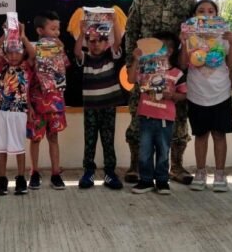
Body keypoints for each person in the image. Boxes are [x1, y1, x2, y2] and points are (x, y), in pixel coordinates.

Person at [124, 0, 196, 184]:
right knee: (139, 116)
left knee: (178, 118)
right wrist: (130, 63)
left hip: (175, 70)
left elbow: (195, 33)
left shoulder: (188, 1)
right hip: (145, 69)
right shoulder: (142, 0)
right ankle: (136, 165)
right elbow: (131, 32)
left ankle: (176, 166)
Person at [178, 0, 232, 192]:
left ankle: (220, 173)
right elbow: (183, 63)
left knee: (219, 134)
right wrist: (183, 41)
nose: (206, 14)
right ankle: (200, 172)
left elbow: (231, 61)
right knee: (200, 134)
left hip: (221, 91)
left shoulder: (223, 35)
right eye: (201, 10)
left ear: (217, 15)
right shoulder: (190, 36)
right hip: (197, 92)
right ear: (194, 15)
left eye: (211, 11)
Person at [127, 32, 187, 195]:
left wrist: (173, 96)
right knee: (145, 151)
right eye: (159, 46)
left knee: (163, 151)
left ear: (172, 51)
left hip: (165, 119)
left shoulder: (176, 73)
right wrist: (136, 59)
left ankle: (162, 181)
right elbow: (131, 80)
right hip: (145, 116)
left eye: (166, 47)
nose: (162, 50)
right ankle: (145, 180)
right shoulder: (146, 68)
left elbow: (184, 94)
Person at [73, 18, 124, 190]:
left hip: (109, 107)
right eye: (92, 41)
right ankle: (88, 172)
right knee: (90, 141)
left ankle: (110, 172)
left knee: (108, 140)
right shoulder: (85, 58)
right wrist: (81, 32)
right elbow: (76, 51)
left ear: (106, 42)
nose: (96, 44)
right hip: (91, 108)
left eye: (101, 40)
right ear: (87, 43)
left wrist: (114, 23)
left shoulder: (111, 55)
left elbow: (117, 41)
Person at [0, 24, 36, 195]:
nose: (14, 55)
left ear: (22, 52)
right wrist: (5, 34)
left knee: (18, 146)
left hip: (19, 112)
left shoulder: (27, 66)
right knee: (1, 147)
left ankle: (21, 178)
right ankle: (2, 179)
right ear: (6, 53)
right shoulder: (2, 66)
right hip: (2, 111)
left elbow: (33, 53)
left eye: (18, 51)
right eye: (10, 52)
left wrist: (22, 36)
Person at [27, 11, 71, 190]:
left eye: (58, 29)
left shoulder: (58, 48)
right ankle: (34, 172)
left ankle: (55, 173)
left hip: (55, 102)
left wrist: (61, 50)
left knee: (54, 137)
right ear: (39, 30)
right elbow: (28, 74)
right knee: (35, 139)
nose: (56, 32)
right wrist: (28, 104)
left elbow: (65, 67)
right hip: (37, 102)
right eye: (52, 29)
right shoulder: (33, 49)